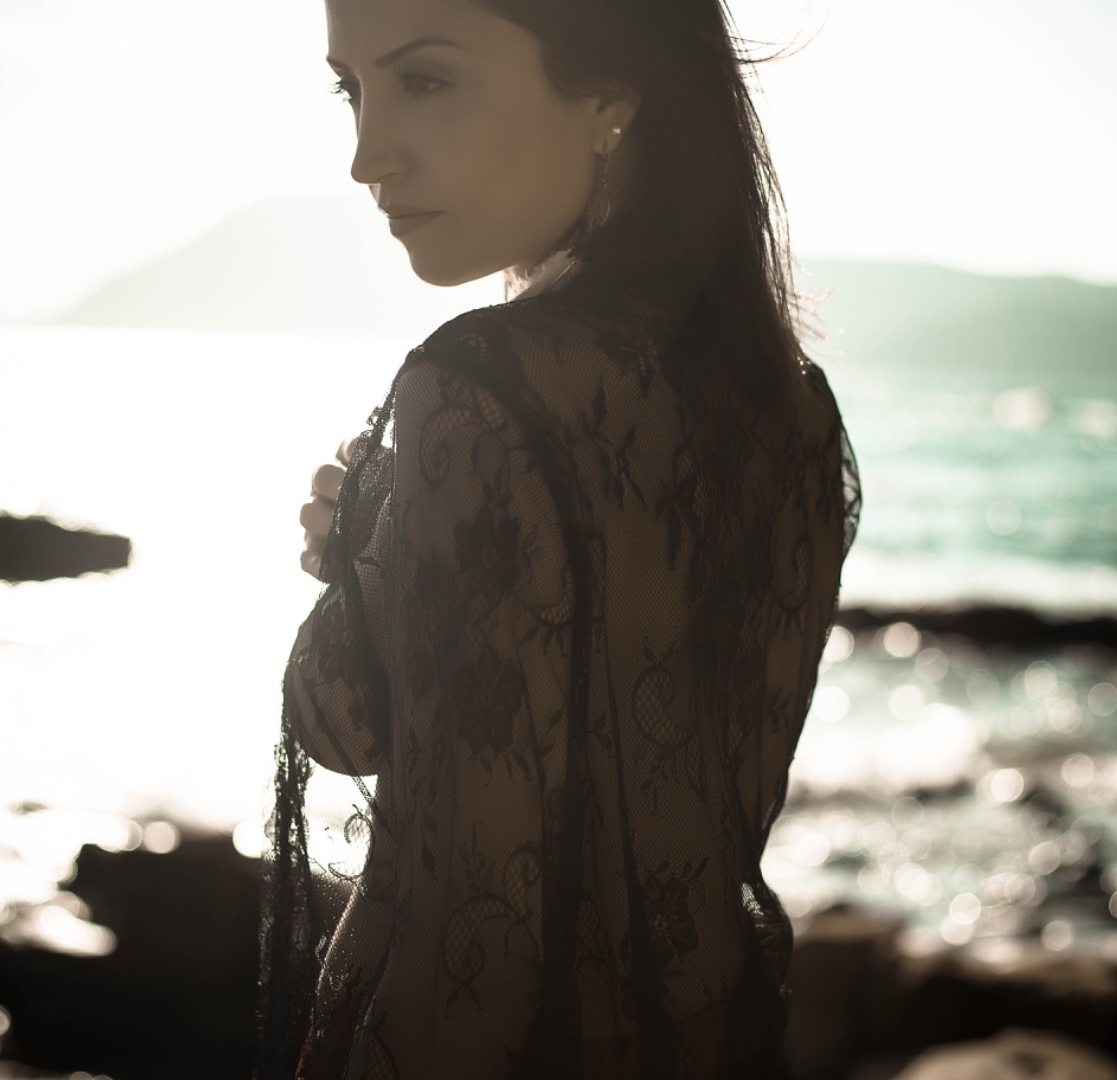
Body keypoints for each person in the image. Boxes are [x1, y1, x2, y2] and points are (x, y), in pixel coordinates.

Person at [259, 0, 861, 1076]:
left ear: (607, 101)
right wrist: (378, 562)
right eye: (353, 89)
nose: (365, 156)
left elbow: (469, 911)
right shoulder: (792, 405)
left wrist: (357, 570)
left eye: (425, 80)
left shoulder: (478, 391)